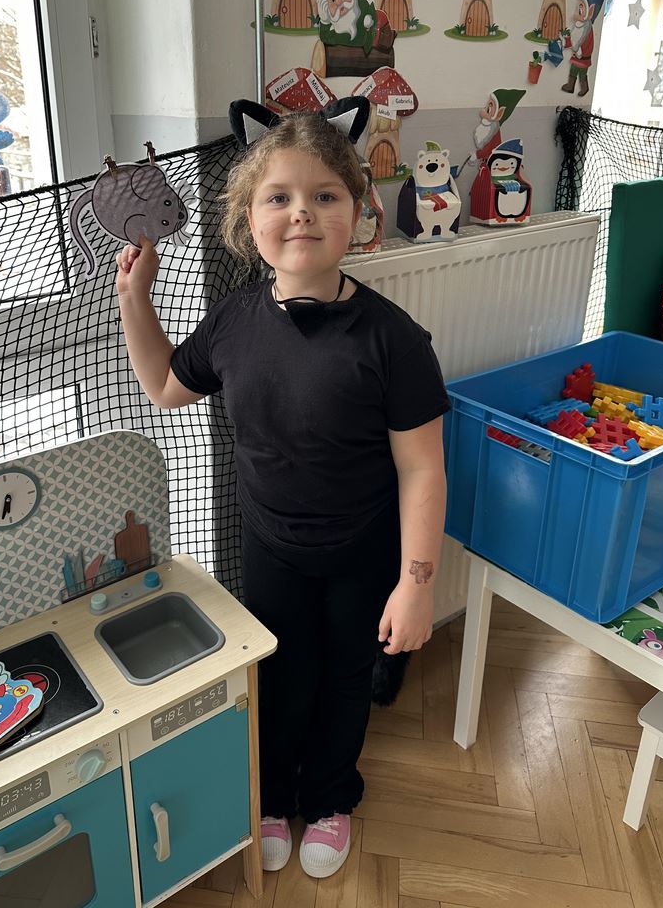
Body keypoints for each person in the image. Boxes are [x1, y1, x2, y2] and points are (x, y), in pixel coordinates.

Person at [115, 97, 450, 880]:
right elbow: (165, 386)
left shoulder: (394, 340)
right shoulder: (233, 322)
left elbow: (423, 469)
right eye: (279, 197)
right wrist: (135, 300)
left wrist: (416, 584)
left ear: (357, 215)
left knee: (345, 677)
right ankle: (271, 797)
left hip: (363, 552)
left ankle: (329, 796)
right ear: (249, 221)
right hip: (271, 546)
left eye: (324, 195)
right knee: (279, 670)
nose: (301, 212)